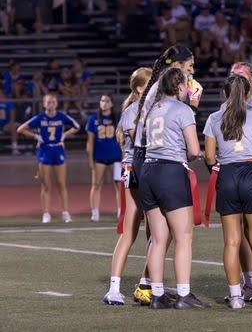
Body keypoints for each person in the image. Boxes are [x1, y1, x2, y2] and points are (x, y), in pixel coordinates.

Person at [132, 44, 203, 307]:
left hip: (148, 164)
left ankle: (155, 292)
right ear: (178, 77)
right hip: (168, 167)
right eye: (189, 68)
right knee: (183, 235)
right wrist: (192, 106)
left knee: (158, 236)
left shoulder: (153, 103)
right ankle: (183, 294)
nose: (191, 72)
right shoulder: (178, 105)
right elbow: (193, 149)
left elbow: (138, 133)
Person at [203, 73, 252, 309]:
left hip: (227, 175)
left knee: (232, 242)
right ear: (247, 93)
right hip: (251, 172)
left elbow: (210, 157)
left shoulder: (214, 118)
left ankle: (235, 297)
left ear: (224, 94)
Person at [102, 67, 152, 306]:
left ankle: (147, 283)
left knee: (156, 231)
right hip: (135, 170)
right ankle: (114, 288)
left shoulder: (153, 109)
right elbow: (142, 139)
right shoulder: (133, 110)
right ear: (140, 88)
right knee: (131, 228)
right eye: (151, 83)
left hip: (151, 168)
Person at [17, 94, 80, 223]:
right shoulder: (40, 117)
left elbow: (77, 126)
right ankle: (46, 213)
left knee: (61, 184)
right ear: (44, 104)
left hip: (58, 149)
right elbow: (20, 129)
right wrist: (35, 136)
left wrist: (64, 135)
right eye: (48, 102)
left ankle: (65, 213)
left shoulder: (61, 116)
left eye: (53, 102)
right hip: (44, 150)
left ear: (56, 104)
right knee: (46, 185)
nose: (51, 104)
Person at [85, 94, 122, 222]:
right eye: (102, 100)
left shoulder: (117, 118)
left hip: (115, 157)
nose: (104, 103)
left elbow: (122, 139)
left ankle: (120, 211)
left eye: (107, 101)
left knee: (119, 185)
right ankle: (95, 212)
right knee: (96, 185)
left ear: (112, 103)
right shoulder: (93, 118)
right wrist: (90, 159)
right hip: (99, 157)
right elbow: (90, 142)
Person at [0, 88, 20, 155]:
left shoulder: (8, 102)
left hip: (5, 125)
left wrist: (11, 123)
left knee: (14, 127)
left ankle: (14, 148)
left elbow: (12, 115)